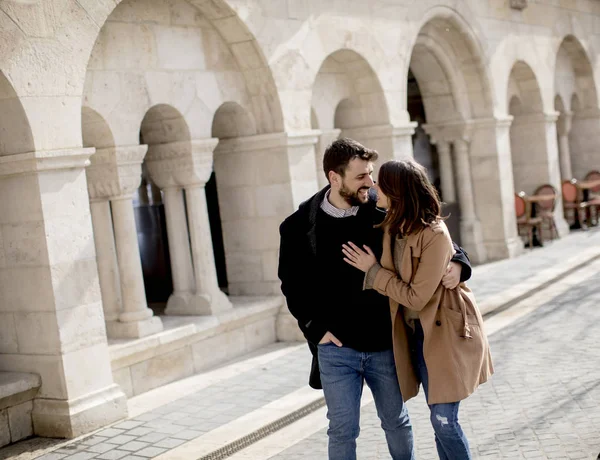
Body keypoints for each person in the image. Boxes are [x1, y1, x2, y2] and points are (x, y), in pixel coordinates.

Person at [277, 138, 472, 460]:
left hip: (386, 343)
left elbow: (430, 235)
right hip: (335, 348)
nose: (370, 182)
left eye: (370, 173)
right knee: (342, 430)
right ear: (334, 177)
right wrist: (315, 328)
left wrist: (459, 263)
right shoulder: (299, 227)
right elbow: (291, 285)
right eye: (361, 176)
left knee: (396, 422)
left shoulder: (382, 211)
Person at [342, 159, 493, 460]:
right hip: (416, 338)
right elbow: (340, 193)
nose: (373, 187)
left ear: (397, 192)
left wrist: (373, 272)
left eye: (380, 184)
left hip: (446, 335)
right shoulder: (391, 221)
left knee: (444, 421)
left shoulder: (433, 233)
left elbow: (416, 298)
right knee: (439, 422)